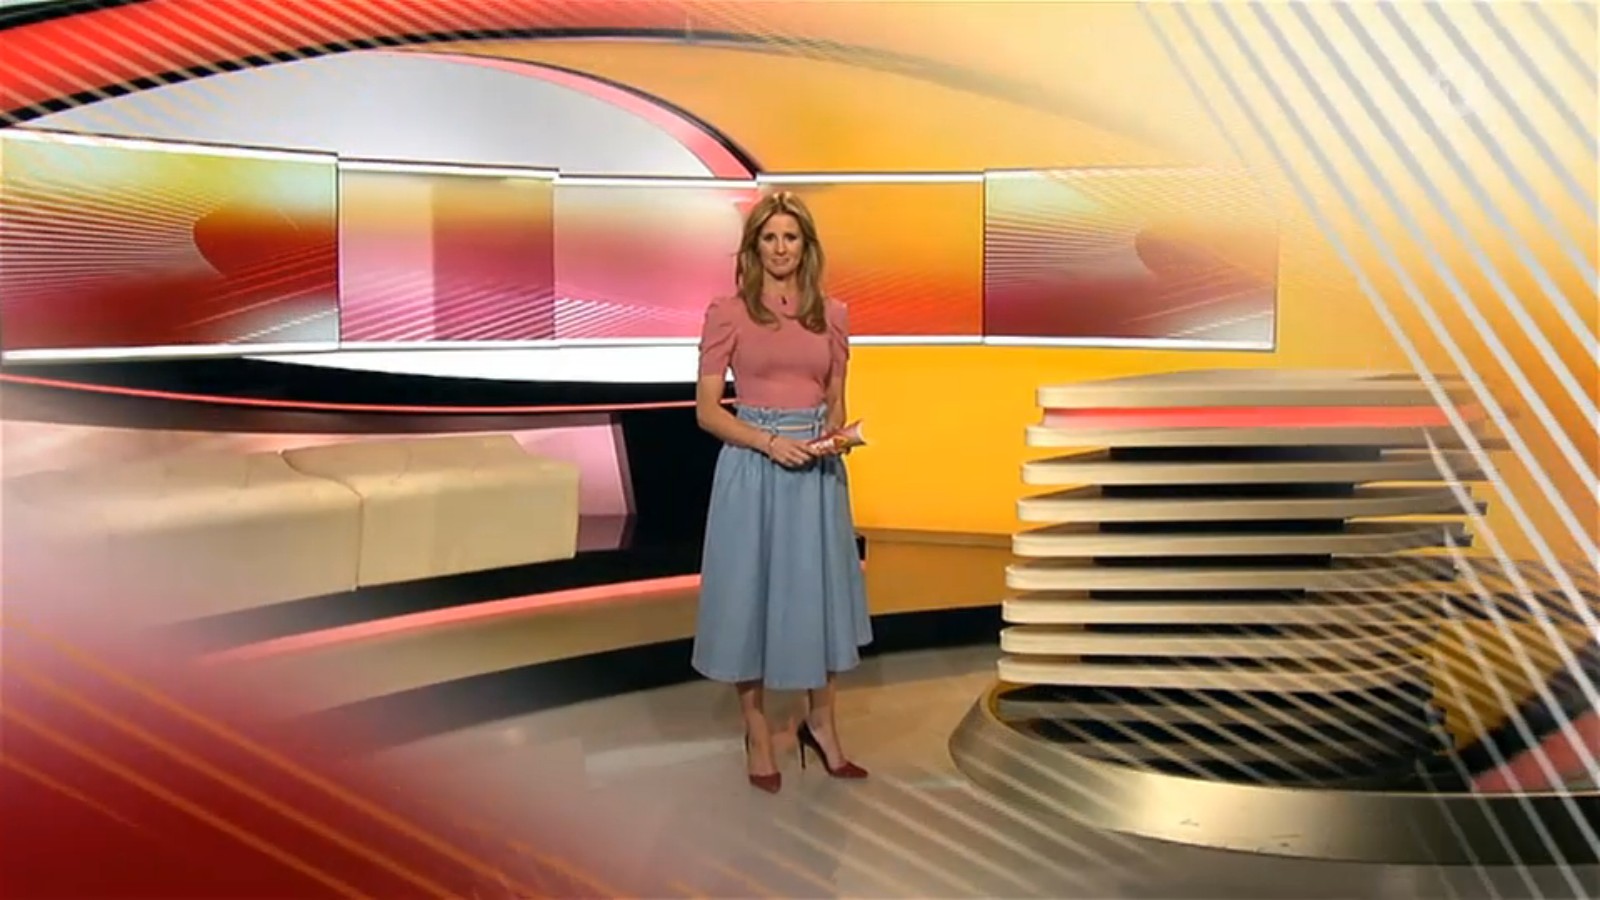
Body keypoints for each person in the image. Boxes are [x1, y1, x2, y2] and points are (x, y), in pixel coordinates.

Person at [692, 191, 872, 794]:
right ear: (754, 248)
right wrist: (770, 443)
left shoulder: (834, 314)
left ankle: (821, 724)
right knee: (749, 594)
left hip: (816, 477)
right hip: (753, 466)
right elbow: (707, 411)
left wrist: (833, 438)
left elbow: (835, 397)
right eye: (769, 238)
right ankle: (757, 729)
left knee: (818, 594)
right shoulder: (727, 313)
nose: (780, 248)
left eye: (790, 237)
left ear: (806, 246)